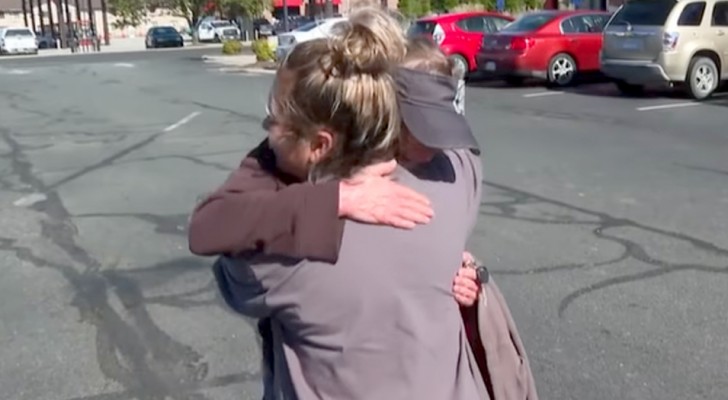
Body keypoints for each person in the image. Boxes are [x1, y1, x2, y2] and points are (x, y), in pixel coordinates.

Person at [209, 9, 484, 399]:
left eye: (275, 122)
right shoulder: (459, 176)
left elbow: (226, 261)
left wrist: (293, 173)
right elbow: (463, 162)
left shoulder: (282, 251)